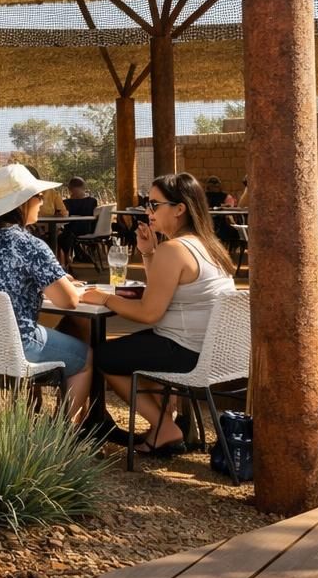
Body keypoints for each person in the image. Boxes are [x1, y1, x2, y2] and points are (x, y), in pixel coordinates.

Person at [81, 172, 236, 454]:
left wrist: (104, 298)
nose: (147, 211)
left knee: (103, 355)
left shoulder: (174, 249)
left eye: (154, 204)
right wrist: (149, 253)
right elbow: (162, 294)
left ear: (179, 209)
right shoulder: (209, 245)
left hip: (187, 350)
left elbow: (149, 312)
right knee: (139, 347)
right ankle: (162, 424)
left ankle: (164, 428)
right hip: (215, 351)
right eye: (146, 204)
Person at [0, 164, 93, 425]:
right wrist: (67, 284)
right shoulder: (30, 245)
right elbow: (69, 301)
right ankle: (62, 435)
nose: (41, 201)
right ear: (22, 203)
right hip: (15, 346)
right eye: (37, 196)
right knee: (86, 359)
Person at [57, 176, 99, 267]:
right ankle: (71, 258)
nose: (74, 192)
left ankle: (67, 260)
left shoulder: (91, 201)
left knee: (63, 236)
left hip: (80, 228)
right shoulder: (91, 201)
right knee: (64, 235)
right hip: (84, 228)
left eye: (75, 190)